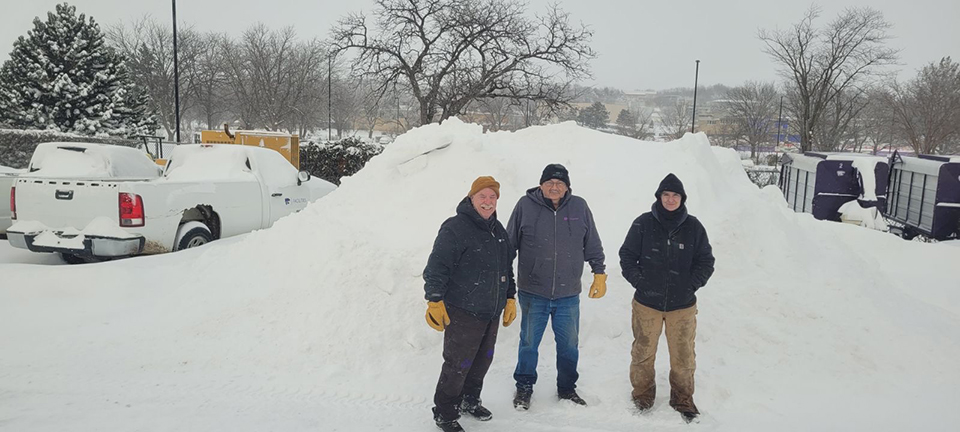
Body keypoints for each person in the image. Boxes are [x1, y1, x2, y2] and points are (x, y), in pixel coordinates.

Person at [506, 163, 606, 410]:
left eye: (559, 183)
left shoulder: (579, 206)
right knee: (529, 342)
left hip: (568, 293)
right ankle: (525, 386)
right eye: (549, 182)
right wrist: (504, 282)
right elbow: (508, 245)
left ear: (567, 187)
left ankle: (567, 388)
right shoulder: (524, 205)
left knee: (569, 344)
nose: (554, 187)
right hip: (533, 290)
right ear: (540, 185)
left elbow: (591, 241)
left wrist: (599, 272)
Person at [618, 173, 715, 424]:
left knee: (683, 356)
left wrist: (690, 285)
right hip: (646, 304)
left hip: (682, 307)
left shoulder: (693, 227)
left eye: (675, 195)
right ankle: (642, 395)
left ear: (682, 199)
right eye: (666, 194)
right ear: (659, 197)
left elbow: (706, 261)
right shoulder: (643, 223)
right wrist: (640, 282)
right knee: (643, 353)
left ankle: (682, 398)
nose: (670, 199)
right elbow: (627, 256)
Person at [423, 176, 518, 432]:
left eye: (492, 197)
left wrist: (510, 297)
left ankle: (470, 400)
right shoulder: (456, 227)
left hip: (491, 311)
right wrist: (434, 299)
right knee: (458, 364)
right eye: (482, 196)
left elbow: (506, 269)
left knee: (482, 360)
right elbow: (437, 266)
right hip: (464, 310)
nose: (488, 202)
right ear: (471, 197)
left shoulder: (498, 231)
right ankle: (444, 412)